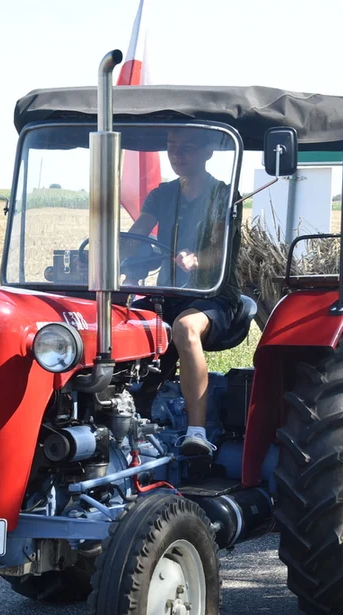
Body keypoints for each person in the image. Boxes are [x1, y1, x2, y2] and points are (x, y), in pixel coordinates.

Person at [128, 128, 240, 457]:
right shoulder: (161, 195)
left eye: (187, 148)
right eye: (172, 147)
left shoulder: (224, 195)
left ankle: (197, 432)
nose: (178, 154)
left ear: (208, 152)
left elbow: (219, 252)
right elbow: (136, 235)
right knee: (117, 323)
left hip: (213, 294)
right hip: (169, 292)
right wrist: (108, 252)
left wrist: (197, 258)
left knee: (184, 328)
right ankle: (131, 411)